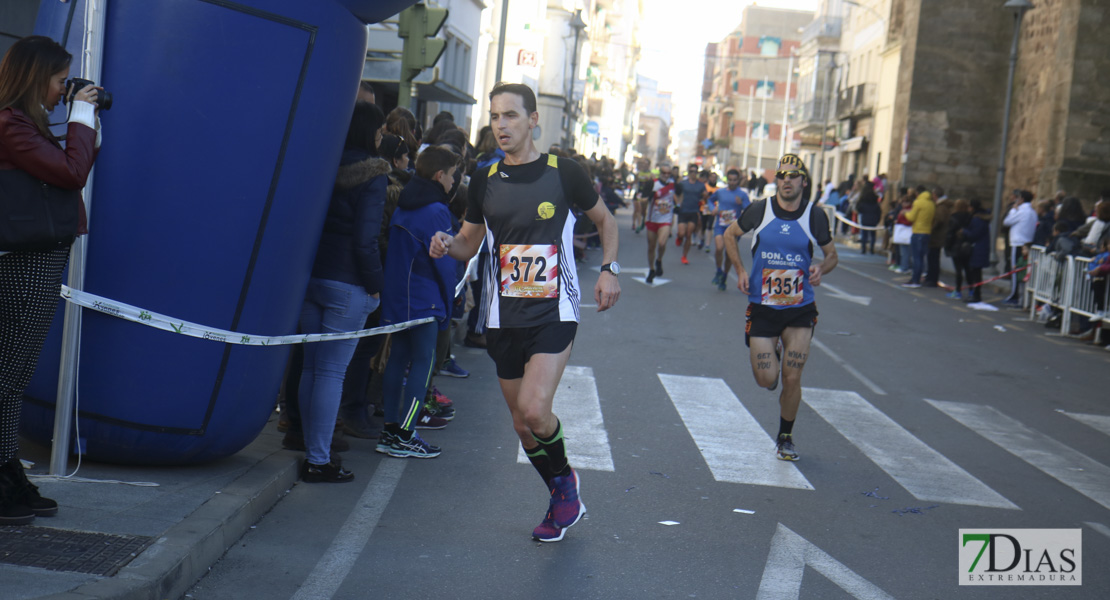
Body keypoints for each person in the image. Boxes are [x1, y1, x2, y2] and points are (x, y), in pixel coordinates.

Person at [429, 82, 620, 543]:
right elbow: (469, 242)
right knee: (521, 424)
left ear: (533, 120)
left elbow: (606, 221)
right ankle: (561, 488)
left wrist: (610, 269)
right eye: (495, 117)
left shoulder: (564, 172)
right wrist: (446, 243)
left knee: (536, 409)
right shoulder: (484, 178)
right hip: (502, 315)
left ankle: (565, 487)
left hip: (555, 309)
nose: (501, 125)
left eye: (511, 116)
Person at [0, 35, 101, 524]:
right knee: (7, 377)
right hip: (25, 261)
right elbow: (72, 172)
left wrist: (85, 121)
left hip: (35, 258)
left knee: (11, 377)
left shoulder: (23, 123)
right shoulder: (9, 123)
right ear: (38, 77)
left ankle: (6, 473)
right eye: (62, 82)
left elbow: (67, 166)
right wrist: (82, 117)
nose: (66, 90)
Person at [723, 154, 837, 462]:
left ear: (803, 181)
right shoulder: (760, 209)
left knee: (792, 377)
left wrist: (821, 269)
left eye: (793, 175)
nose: (786, 180)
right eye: (782, 175)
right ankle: (771, 355)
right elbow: (729, 235)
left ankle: (785, 436)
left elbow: (832, 256)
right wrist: (741, 271)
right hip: (762, 306)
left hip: (800, 308)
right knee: (766, 379)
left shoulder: (815, 216)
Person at [297, 101, 389, 483]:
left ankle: (311, 449)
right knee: (332, 373)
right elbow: (366, 240)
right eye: (381, 130)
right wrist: (375, 287)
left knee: (311, 367)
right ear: (371, 133)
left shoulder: (322, 162)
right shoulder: (375, 175)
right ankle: (319, 459)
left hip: (311, 276)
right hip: (349, 283)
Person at [376, 146, 460, 458]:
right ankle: (407, 432)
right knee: (423, 364)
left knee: (398, 359)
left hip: (399, 295)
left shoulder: (404, 204)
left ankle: (390, 430)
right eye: (452, 176)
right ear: (440, 176)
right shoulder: (436, 210)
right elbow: (444, 263)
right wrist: (447, 304)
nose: (453, 183)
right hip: (425, 299)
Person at [708, 168, 750, 290]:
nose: (732, 182)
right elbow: (710, 200)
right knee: (719, 248)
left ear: (738, 180)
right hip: (720, 226)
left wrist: (741, 203)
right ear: (727, 180)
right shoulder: (720, 192)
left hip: (733, 229)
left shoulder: (742, 194)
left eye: (734, 180)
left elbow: (748, 211)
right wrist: (712, 209)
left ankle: (724, 276)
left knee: (729, 254)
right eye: (730, 180)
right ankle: (718, 271)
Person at [1001, 189, 1036, 305]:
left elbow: (1006, 222)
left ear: (1021, 199)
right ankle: (1021, 297)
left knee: (1016, 270)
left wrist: (1012, 210)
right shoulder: (1032, 211)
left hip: (1017, 242)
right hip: (1027, 242)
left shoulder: (1020, 211)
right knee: (1024, 270)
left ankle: (1014, 295)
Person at [644, 164, 677, 284]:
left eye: (668, 174)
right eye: (664, 173)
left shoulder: (673, 184)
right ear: (660, 173)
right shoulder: (653, 184)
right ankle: (652, 269)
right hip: (652, 219)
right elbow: (644, 198)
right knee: (651, 246)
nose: (666, 176)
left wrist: (677, 206)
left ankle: (659, 260)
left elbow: (677, 196)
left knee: (662, 243)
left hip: (665, 219)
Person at [901, 185, 935, 288]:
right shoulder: (931, 203)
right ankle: (916, 279)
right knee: (921, 257)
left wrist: (905, 213)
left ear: (917, 193)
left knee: (916, 258)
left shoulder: (918, 202)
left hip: (918, 231)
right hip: (927, 232)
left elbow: (911, 217)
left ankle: (915, 280)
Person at [673, 164, 706, 265]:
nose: (693, 174)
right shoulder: (683, 183)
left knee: (688, 234)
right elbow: (675, 194)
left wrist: (703, 199)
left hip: (694, 212)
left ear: (697, 173)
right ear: (688, 172)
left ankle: (684, 256)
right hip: (683, 211)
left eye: (695, 172)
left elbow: (705, 196)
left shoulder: (700, 185)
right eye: (691, 171)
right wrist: (678, 203)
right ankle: (679, 237)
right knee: (682, 233)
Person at [961, 199, 992, 303]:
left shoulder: (977, 220)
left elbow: (974, 235)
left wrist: (964, 231)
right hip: (980, 248)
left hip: (977, 249)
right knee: (976, 272)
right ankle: (975, 293)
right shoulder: (981, 219)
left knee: (976, 273)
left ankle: (976, 295)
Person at [944, 199, 973, 299]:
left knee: (958, 270)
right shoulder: (970, 217)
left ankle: (958, 291)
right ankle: (971, 290)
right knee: (968, 269)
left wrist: (947, 246)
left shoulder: (954, 217)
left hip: (956, 246)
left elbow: (950, 234)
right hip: (967, 246)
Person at [925, 187, 952, 287]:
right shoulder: (942, 206)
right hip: (938, 235)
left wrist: (931, 228)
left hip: (937, 236)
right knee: (932, 257)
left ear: (935, 195)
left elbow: (939, 220)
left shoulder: (941, 207)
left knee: (933, 258)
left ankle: (932, 279)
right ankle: (930, 277)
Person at [856, 180, 881, 254]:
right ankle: (871, 249)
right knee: (873, 234)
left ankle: (863, 249)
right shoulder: (874, 197)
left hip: (865, 217)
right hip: (873, 217)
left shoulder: (863, 197)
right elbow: (878, 208)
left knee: (864, 234)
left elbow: (859, 207)